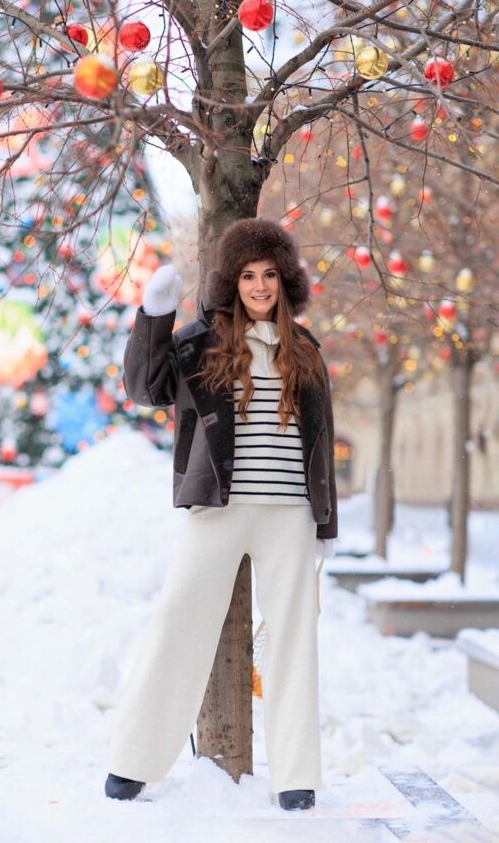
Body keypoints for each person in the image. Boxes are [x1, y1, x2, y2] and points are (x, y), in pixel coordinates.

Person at [105, 217, 338, 811]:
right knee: (178, 620)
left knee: (293, 640)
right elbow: (145, 387)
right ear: (232, 282)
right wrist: (155, 315)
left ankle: (296, 778)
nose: (259, 286)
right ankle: (134, 761)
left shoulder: (305, 350)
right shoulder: (202, 342)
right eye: (248, 275)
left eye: (269, 275)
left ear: (285, 281)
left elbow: (320, 440)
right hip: (219, 506)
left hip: (290, 513)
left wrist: (325, 524)